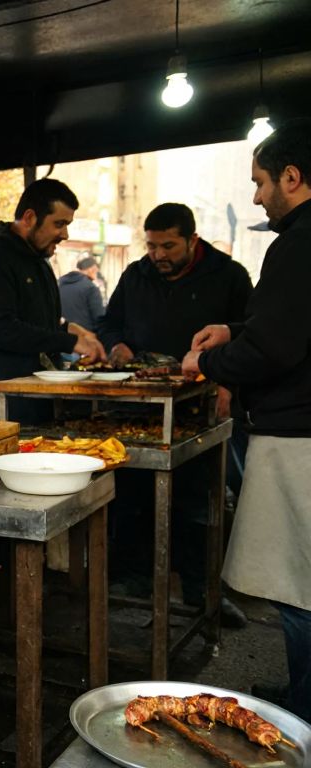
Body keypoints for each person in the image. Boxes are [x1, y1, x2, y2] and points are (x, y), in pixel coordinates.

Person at [183, 118, 311, 722]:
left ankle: (305, 714)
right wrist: (235, 330)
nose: (257, 196)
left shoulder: (300, 242)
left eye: (261, 182)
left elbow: (275, 351)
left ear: (293, 176)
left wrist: (208, 360)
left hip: (300, 439)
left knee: (301, 591)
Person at [101, 202, 253, 625]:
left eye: (168, 246)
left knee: (198, 503)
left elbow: (250, 338)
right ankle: (131, 583)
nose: (159, 255)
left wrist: (228, 384)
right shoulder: (135, 274)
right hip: (136, 405)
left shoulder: (229, 276)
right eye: (151, 246)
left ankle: (203, 594)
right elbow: (109, 323)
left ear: (192, 240)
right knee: (131, 497)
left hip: (203, 406)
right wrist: (119, 345)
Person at [0, 178, 106, 421]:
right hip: (3, 408)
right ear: (29, 218)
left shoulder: (38, 261)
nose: (65, 234)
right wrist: (69, 341)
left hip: (37, 400)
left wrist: (68, 328)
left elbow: (34, 323)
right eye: (59, 224)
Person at [59, 256, 104, 332]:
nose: (97, 274)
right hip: (85, 337)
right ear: (92, 269)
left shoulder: (60, 285)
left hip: (64, 335)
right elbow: (99, 318)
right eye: (96, 271)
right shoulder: (90, 288)